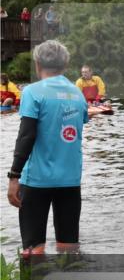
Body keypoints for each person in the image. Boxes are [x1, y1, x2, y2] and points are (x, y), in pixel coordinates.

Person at [6, 40, 89, 255]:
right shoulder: (77, 94)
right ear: (65, 65)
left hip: (37, 181)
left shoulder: (33, 92)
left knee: (33, 250)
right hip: (70, 180)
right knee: (69, 247)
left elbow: (26, 136)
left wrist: (14, 175)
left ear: (37, 63)